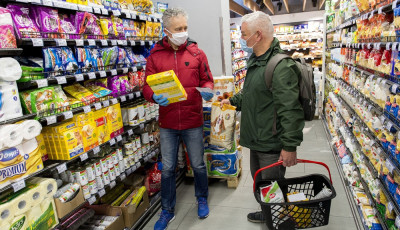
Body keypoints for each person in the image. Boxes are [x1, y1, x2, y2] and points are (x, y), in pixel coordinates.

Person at [221, 11, 305, 227]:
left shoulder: (281, 66)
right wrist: (232, 101)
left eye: (243, 34)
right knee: (262, 185)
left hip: (271, 143)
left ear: (257, 35)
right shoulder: (256, 61)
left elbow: (290, 111)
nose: (241, 38)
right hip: (257, 139)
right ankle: (268, 213)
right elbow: (251, 95)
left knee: (273, 186)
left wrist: (289, 146)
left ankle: (279, 221)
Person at [142, 8, 214, 230]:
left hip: (192, 119)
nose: (183, 32)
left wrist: (208, 89)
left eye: (185, 28)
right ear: (167, 31)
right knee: (168, 168)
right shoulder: (155, 56)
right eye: (178, 29)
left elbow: (207, 79)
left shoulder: (197, 54)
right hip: (168, 122)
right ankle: (167, 211)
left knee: (199, 164)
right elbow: (146, 86)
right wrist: (154, 96)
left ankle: (201, 198)